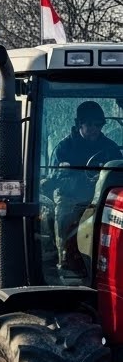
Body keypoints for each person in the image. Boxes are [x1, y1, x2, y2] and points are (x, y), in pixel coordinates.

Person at [49, 100, 122, 275]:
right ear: (79, 124)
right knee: (66, 216)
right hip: (72, 199)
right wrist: (71, 175)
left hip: (101, 199)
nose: (94, 129)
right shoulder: (63, 149)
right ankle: (66, 259)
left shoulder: (110, 147)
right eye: (89, 124)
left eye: (98, 125)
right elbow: (53, 180)